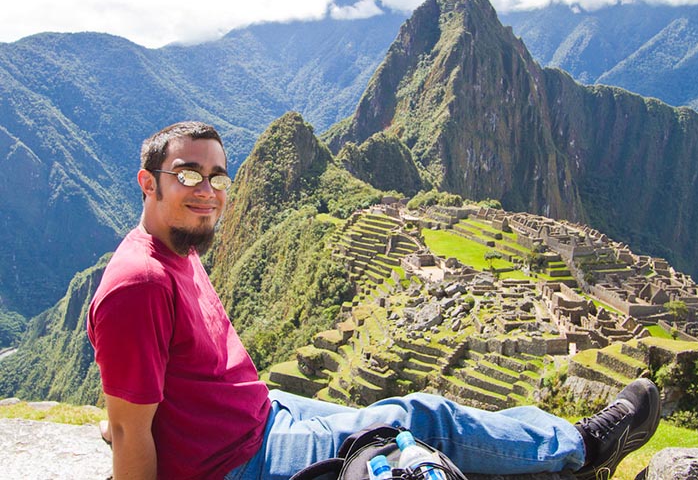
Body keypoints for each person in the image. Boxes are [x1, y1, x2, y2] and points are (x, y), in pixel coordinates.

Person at [87, 121, 662, 480]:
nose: (208, 192)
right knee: (417, 419)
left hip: (258, 413)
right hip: (238, 459)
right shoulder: (141, 283)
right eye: (188, 175)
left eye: (217, 177)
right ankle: (583, 448)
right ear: (149, 182)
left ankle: (547, 450)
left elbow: (138, 403)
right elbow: (130, 430)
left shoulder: (178, 250)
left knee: (410, 415)